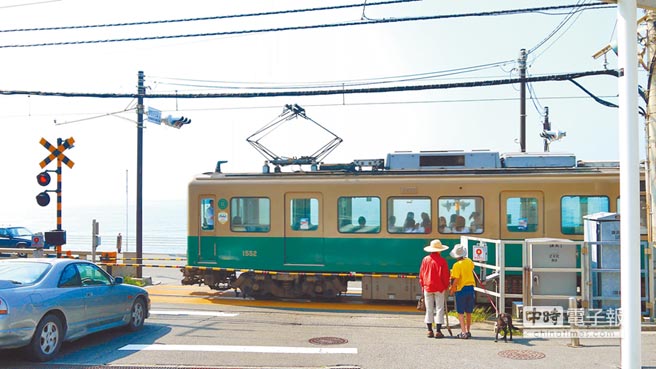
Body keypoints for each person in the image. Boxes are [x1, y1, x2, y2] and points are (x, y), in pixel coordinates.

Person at [419, 239, 450, 338]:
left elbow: (422, 274)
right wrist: (446, 286)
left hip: (427, 287)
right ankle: (438, 331)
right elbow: (445, 275)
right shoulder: (442, 261)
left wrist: (423, 285)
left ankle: (429, 330)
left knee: (429, 309)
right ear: (439, 250)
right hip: (439, 288)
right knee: (439, 309)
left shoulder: (425, 259)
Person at [449, 243, 476, 339]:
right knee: (469, 312)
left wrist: (452, 289)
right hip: (471, 288)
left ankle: (463, 332)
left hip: (461, 289)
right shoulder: (469, 261)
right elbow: (473, 267)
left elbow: (456, 279)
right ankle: (468, 331)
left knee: (460, 312)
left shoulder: (456, 265)